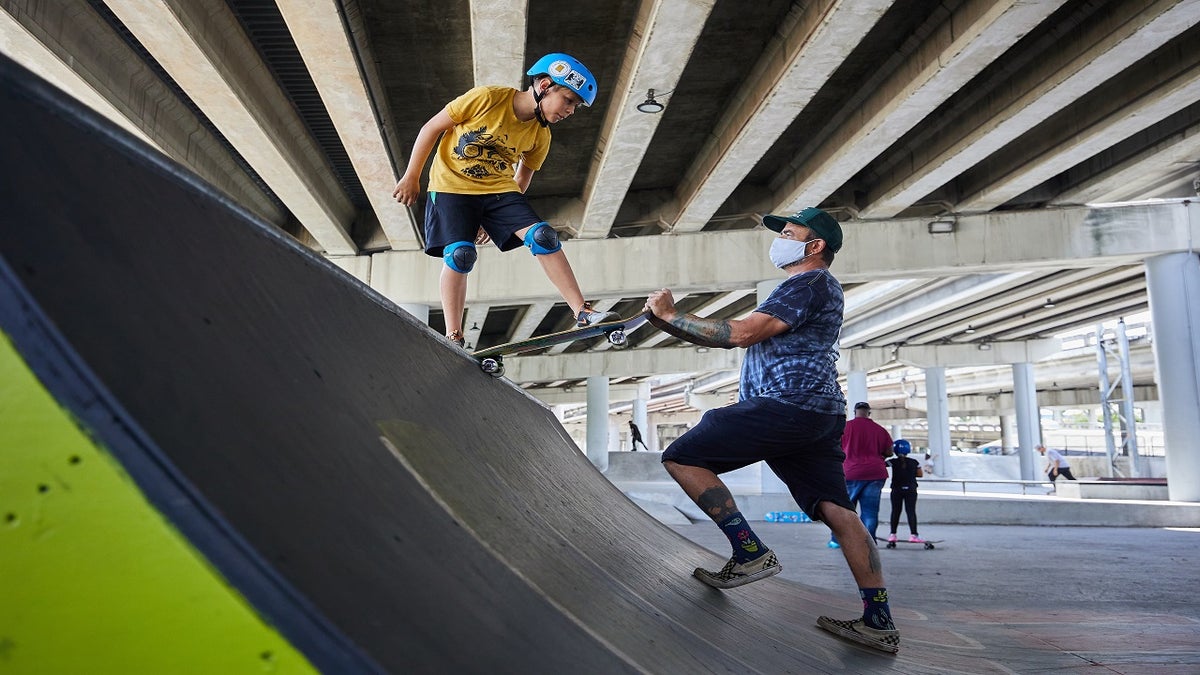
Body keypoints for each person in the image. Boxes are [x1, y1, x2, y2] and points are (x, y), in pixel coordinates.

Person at [644, 207, 900, 654]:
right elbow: (747, 340)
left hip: (791, 406)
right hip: (818, 413)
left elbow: (741, 333)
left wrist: (670, 316)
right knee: (837, 509)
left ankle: (749, 551)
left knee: (682, 455)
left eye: (788, 232)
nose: (780, 239)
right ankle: (878, 621)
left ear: (814, 245)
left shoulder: (808, 283)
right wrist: (672, 325)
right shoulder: (811, 288)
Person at [393, 53, 617, 346]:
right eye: (569, 100)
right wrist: (412, 176)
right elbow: (431, 128)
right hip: (452, 188)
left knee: (543, 236)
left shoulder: (541, 135)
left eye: (575, 106)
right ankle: (453, 335)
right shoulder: (488, 98)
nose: (571, 111)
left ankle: (581, 311)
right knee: (460, 255)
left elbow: (522, 179)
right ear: (545, 85)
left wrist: (496, 221)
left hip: (498, 190)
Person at [828, 401, 892, 548]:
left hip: (850, 473)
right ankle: (868, 543)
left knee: (844, 509)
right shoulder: (879, 430)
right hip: (875, 474)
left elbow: (833, 447)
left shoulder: (845, 427)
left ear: (854, 412)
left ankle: (837, 541)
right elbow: (889, 451)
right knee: (870, 511)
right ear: (869, 413)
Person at [885, 439, 924, 543]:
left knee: (895, 511)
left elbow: (881, 464)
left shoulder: (892, 462)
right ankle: (914, 535)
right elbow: (920, 474)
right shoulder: (915, 462)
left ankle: (893, 535)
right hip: (911, 489)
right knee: (911, 511)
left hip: (896, 490)